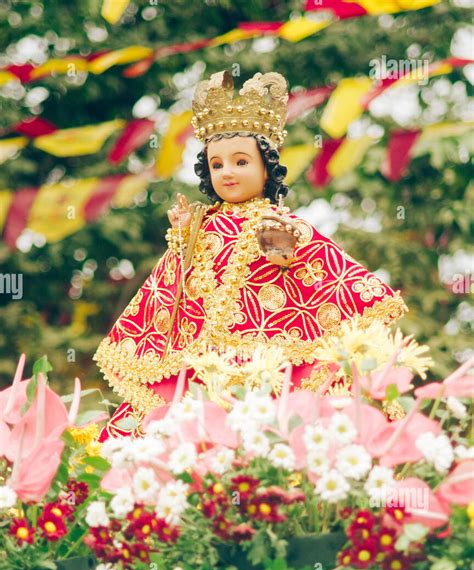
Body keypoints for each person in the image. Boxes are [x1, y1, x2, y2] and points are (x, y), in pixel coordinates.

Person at [94, 70, 408, 441]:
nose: (227, 172)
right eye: (217, 164)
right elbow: (175, 295)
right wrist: (182, 241)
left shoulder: (277, 221)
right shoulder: (200, 225)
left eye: (240, 162)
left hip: (269, 362)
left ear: (266, 166)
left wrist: (282, 250)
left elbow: (315, 269)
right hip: (201, 366)